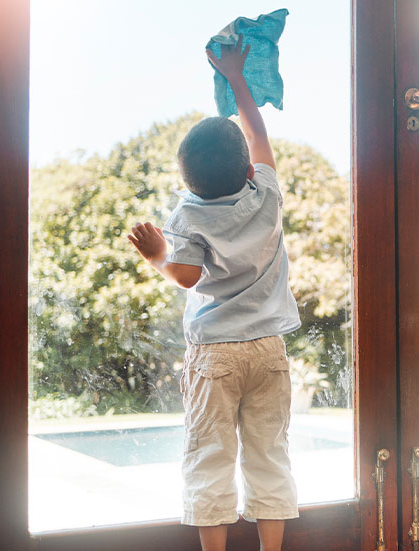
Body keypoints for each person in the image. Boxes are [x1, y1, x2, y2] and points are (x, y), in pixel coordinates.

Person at [128, 36, 301, 551]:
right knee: (269, 454)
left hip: (216, 354)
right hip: (269, 350)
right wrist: (237, 77)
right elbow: (258, 130)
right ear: (247, 170)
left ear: (188, 181)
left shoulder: (188, 215)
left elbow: (184, 276)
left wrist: (157, 253)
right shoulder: (266, 192)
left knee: (211, 455)